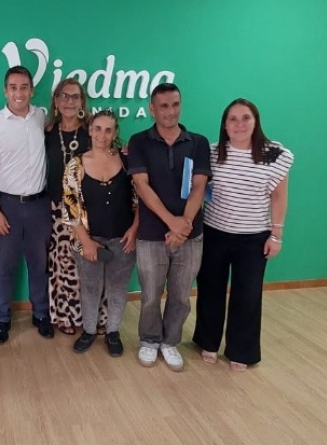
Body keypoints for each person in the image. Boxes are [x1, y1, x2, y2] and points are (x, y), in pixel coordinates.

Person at [193, 98, 293, 371]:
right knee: (210, 289)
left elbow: (279, 196)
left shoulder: (275, 154)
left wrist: (276, 235)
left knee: (247, 295)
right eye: (233, 119)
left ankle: (242, 350)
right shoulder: (212, 153)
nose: (239, 124)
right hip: (214, 232)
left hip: (253, 237)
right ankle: (207, 341)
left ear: (255, 121)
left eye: (245, 118)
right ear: (225, 125)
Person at [128, 83, 211, 371]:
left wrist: (183, 226)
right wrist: (171, 223)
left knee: (180, 295)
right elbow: (142, 186)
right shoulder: (139, 141)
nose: (170, 111)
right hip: (151, 234)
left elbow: (199, 185)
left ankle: (170, 341)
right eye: (163, 106)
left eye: (175, 104)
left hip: (190, 236)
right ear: (152, 109)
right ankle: (150, 340)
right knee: (151, 294)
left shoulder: (198, 143)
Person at [0, 65, 54, 344]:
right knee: (6, 266)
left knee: (39, 264)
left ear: (32, 90)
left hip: (39, 204)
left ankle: (41, 314)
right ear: (5, 91)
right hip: (7, 205)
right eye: (13, 87)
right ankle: (2, 319)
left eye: (24, 87)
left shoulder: (41, 117)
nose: (19, 92)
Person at [62, 110, 138, 356]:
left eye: (108, 130)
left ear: (114, 133)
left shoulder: (127, 161)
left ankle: (113, 332)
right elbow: (70, 207)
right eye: (97, 129)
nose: (102, 135)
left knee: (118, 288)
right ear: (90, 130)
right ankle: (89, 331)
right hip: (89, 240)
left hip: (123, 239)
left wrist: (134, 230)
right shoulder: (75, 165)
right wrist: (86, 242)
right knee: (90, 288)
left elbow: (140, 199)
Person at [45, 79, 108, 336]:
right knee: (64, 264)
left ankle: (98, 317)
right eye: (64, 96)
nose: (69, 101)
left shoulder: (92, 132)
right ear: (56, 101)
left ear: (82, 101)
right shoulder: (48, 132)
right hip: (58, 209)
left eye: (74, 96)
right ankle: (65, 314)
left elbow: (111, 159)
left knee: (92, 264)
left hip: (89, 210)